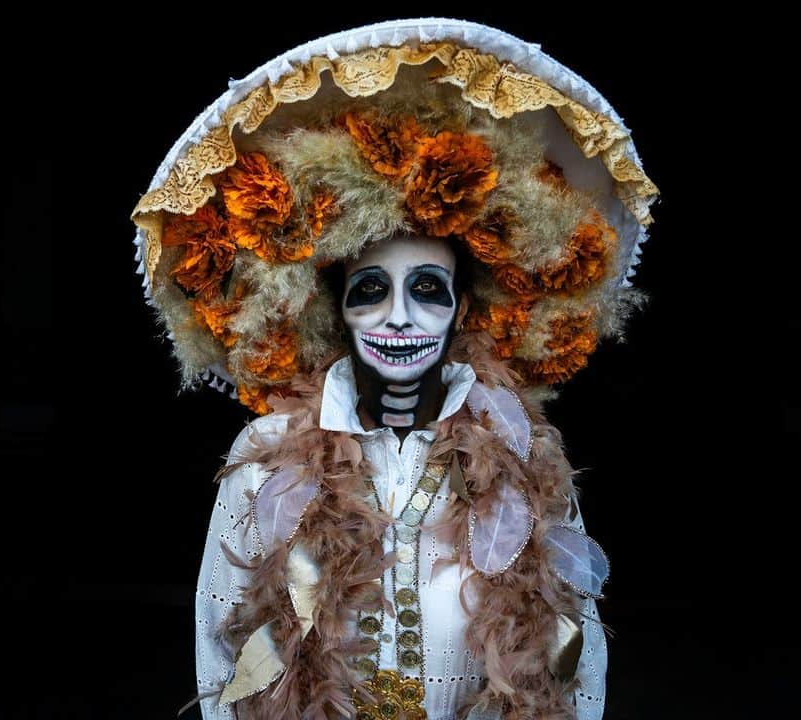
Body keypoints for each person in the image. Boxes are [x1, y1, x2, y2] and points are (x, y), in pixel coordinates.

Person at [130, 19, 656, 720]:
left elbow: (574, 656)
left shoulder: (522, 454)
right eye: (372, 289)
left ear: (462, 308)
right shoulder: (262, 457)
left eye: (428, 290)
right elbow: (225, 651)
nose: (400, 317)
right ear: (337, 310)